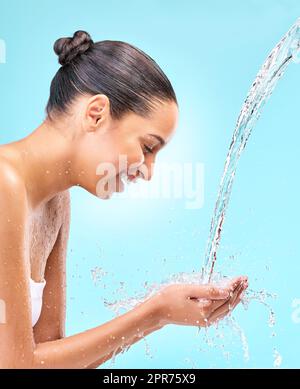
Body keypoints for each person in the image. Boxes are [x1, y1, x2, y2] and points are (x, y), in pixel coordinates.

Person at [0, 30, 248, 368]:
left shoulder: (56, 203)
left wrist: (163, 314)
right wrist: (156, 312)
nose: (148, 171)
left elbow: (49, 359)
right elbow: (16, 364)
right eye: (147, 148)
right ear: (96, 113)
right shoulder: (4, 183)